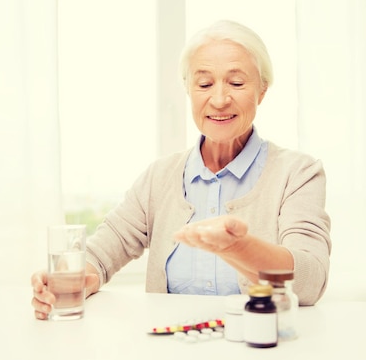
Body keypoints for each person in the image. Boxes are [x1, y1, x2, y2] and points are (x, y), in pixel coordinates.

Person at [31, 20, 331, 320]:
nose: (219, 99)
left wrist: (240, 248)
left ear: (262, 90)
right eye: (204, 84)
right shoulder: (158, 177)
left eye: (237, 83)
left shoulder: (298, 173)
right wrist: (69, 282)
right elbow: (102, 253)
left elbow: (310, 280)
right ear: (189, 90)